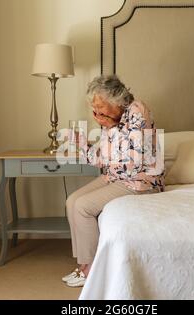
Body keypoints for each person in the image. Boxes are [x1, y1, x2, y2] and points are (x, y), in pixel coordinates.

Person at [63, 75, 164, 287]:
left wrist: (110, 128)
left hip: (140, 180)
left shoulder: (137, 111)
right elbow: (101, 161)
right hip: (115, 176)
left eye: (101, 109)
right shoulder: (109, 120)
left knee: (83, 207)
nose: (97, 115)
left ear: (117, 101)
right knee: (72, 201)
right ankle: (84, 264)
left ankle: (91, 269)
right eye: (94, 111)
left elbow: (135, 161)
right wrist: (82, 145)